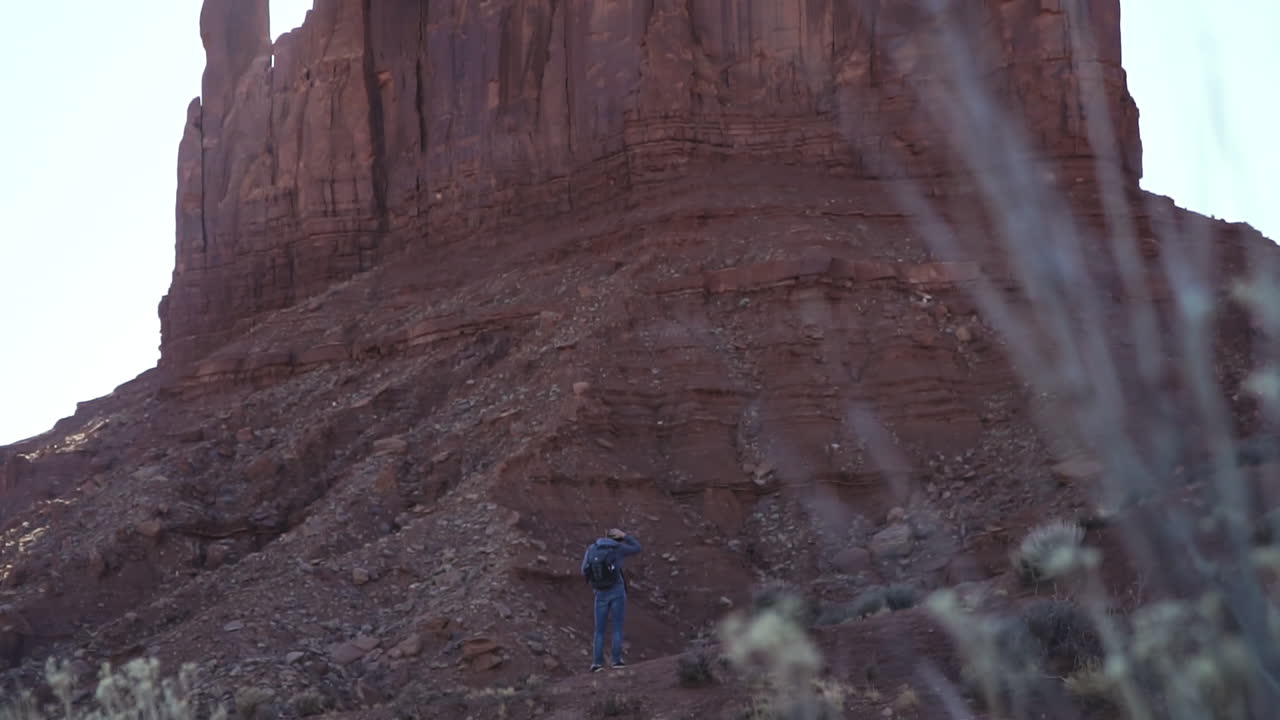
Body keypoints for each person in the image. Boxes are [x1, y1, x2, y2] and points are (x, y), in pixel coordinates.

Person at [580, 527, 642, 672]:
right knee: (617, 627)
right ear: (617, 539)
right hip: (617, 591)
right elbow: (638, 548)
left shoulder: (592, 548)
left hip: (600, 593)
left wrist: (596, 584)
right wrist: (625, 535)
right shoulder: (618, 548)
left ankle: (596, 664)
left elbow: (584, 570)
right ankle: (616, 661)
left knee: (599, 630)